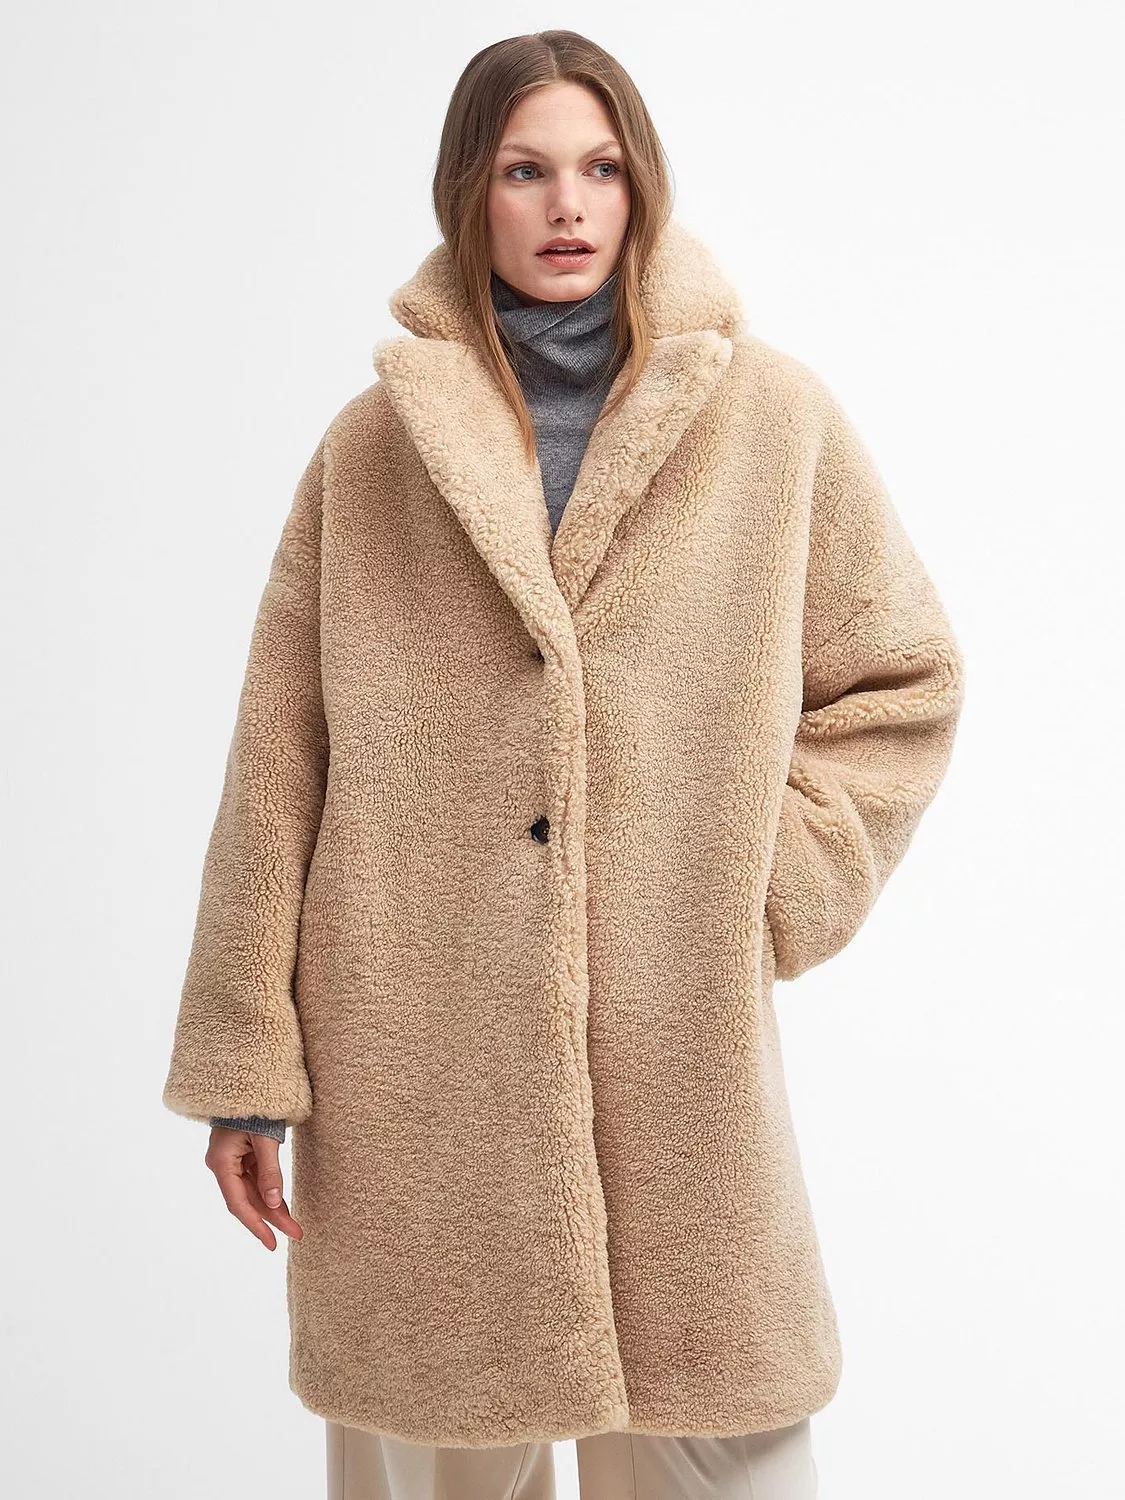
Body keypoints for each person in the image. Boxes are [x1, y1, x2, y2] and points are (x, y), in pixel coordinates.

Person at [162, 28, 965, 1500]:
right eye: (525, 172)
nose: (568, 206)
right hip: (414, 1052)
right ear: (468, 193)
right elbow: (276, 768)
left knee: (725, 1442)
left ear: (643, 186)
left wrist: (763, 883)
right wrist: (244, 1072)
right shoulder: (372, 455)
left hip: (681, 1053)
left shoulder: (772, 422)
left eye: (600, 169)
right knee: (437, 1449)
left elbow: (899, 681)